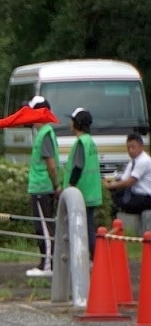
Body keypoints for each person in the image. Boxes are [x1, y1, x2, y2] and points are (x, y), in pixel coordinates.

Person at [24, 96, 61, 277]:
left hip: (42, 187)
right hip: (41, 187)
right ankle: (46, 263)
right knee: (44, 226)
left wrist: (56, 185)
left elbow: (51, 164)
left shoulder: (44, 134)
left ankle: (47, 266)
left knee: (44, 228)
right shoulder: (44, 133)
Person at [63, 108, 102, 260]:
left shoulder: (81, 143)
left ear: (77, 123)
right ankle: (94, 257)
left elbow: (78, 167)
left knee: (85, 228)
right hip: (91, 192)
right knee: (88, 226)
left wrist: (70, 186)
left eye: (72, 120)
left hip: (81, 193)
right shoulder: (90, 141)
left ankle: (94, 258)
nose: (69, 123)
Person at [103, 133, 151, 219]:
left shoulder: (144, 160)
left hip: (145, 197)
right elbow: (123, 179)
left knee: (115, 202)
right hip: (135, 194)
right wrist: (110, 183)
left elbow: (129, 182)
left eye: (133, 147)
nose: (130, 151)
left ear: (141, 147)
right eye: (128, 148)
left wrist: (109, 186)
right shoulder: (133, 160)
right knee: (112, 195)